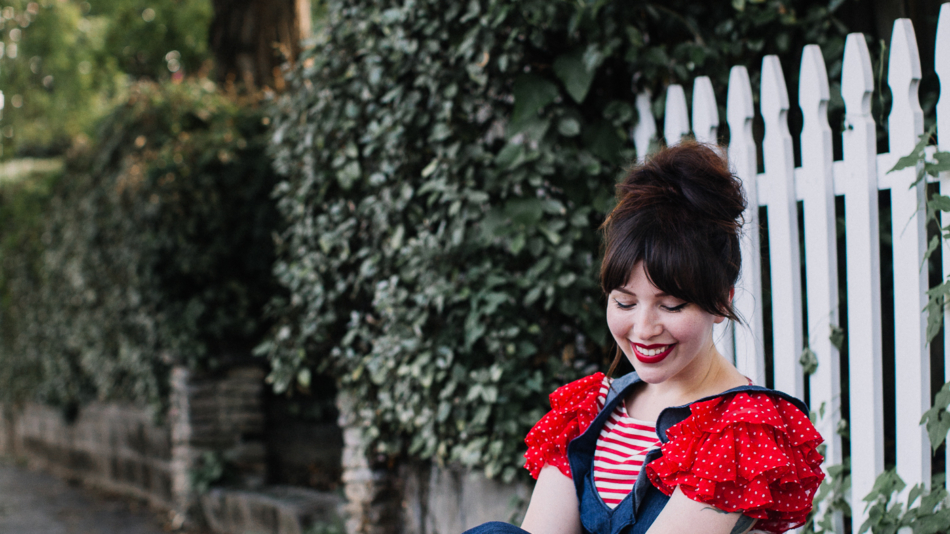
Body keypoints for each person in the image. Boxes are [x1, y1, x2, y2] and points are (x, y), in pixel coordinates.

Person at [465, 142, 824, 534]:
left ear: (721, 301)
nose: (644, 328)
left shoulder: (741, 432)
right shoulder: (589, 412)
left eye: (670, 306)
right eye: (624, 302)